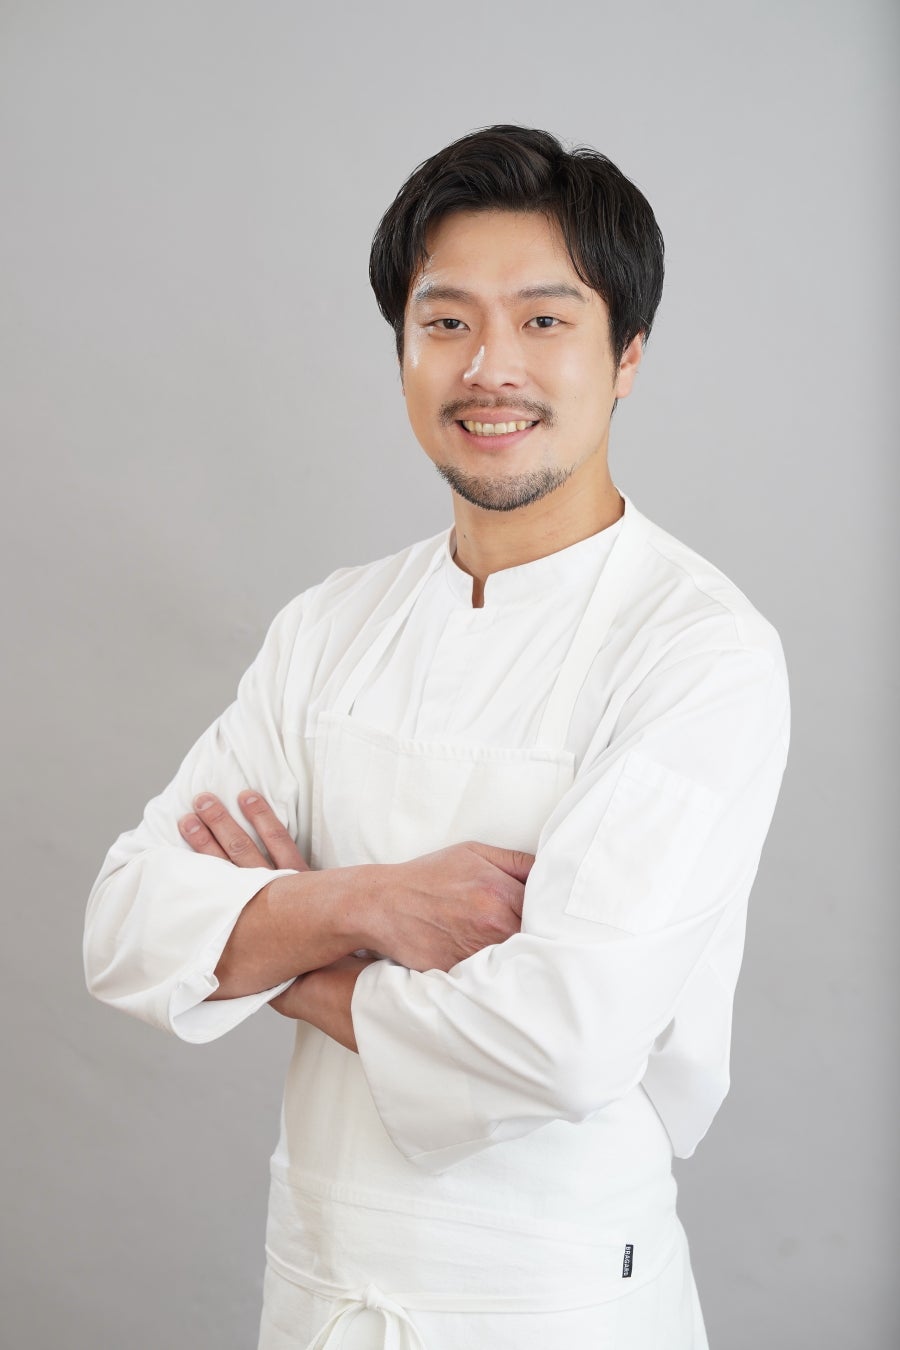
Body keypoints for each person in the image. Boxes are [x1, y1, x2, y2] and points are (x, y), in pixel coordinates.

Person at [84, 125, 790, 1349]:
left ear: (627, 355)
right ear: (403, 351)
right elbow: (126, 925)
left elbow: (563, 1040)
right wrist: (366, 902)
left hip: (556, 1298)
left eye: (545, 320)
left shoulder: (698, 651)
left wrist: (279, 952)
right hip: (317, 1283)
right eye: (447, 321)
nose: (489, 367)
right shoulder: (329, 625)